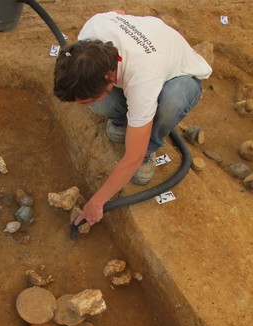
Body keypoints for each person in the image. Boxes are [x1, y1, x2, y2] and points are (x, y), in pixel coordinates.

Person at [53, 11, 212, 227]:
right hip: (143, 65)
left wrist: (97, 202)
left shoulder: (143, 77)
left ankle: (150, 144)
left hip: (180, 78)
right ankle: (125, 120)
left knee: (171, 103)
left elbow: (132, 157)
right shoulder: (91, 32)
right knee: (100, 103)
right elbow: (120, 13)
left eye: (85, 99)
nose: (83, 105)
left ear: (109, 78)